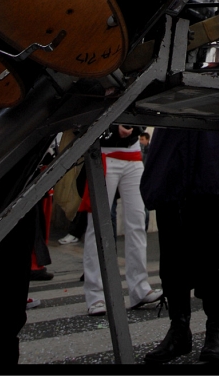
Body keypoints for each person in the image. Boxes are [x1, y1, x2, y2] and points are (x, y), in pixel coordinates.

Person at [140, 128, 219, 365]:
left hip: (207, 131)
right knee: (171, 239)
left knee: (207, 238)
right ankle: (179, 327)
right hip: (171, 138)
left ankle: (217, 324)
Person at [81, 124, 161, 317]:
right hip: (104, 150)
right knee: (98, 224)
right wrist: (115, 128)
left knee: (137, 222)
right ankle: (95, 295)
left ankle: (140, 287)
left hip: (131, 152)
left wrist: (135, 127)